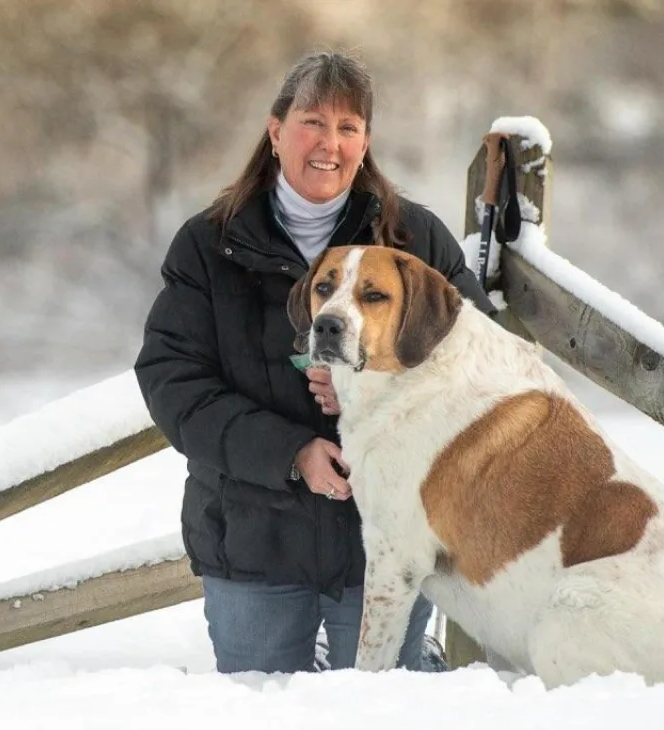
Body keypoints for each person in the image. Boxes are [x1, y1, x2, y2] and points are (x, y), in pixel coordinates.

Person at [133, 50, 496, 674]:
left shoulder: (416, 241)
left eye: (348, 127)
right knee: (260, 707)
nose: (330, 144)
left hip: (387, 538)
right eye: (313, 123)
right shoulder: (209, 245)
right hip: (253, 537)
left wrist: (376, 381)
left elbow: (481, 361)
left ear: (366, 142)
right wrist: (290, 453)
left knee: (382, 712)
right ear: (276, 132)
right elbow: (173, 381)